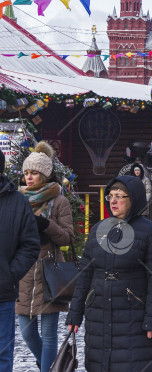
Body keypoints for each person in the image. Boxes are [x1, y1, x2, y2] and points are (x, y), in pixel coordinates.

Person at [67, 176, 152, 372]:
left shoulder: (149, 232)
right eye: (110, 196)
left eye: (119, 196)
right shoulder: (99, 229)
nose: (113, 201)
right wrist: (75, 313)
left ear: (134, 199)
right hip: (98, 314)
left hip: (133, 317)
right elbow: (85, 276)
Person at [15, 142, 74, 372]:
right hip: (23, 271)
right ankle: (51, 366)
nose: (29, 177)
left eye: (34, 173)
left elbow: (68, 238)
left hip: (50, 272)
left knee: (49, 335)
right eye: (26, 173)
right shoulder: (18, 199)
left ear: (45, 174)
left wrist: (46, 224)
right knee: (26, 332)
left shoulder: (59, 201)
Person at [0, 149, 40, 372]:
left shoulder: (17, 201)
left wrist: (8, 273)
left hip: (2, 294)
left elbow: (30, 244)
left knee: (2, 354)